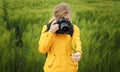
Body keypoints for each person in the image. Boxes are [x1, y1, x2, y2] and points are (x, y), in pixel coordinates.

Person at [38, 2, 82, 72]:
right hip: (52, 69)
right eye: (62, 19)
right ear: (56, 17)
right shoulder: (47, 28)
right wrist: (51, 33)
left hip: (70, 69)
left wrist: (78, 52)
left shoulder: (74, 29)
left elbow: (77, 42)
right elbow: (42, 49)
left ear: (70, 17)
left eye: (67, 19)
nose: (64, 22)